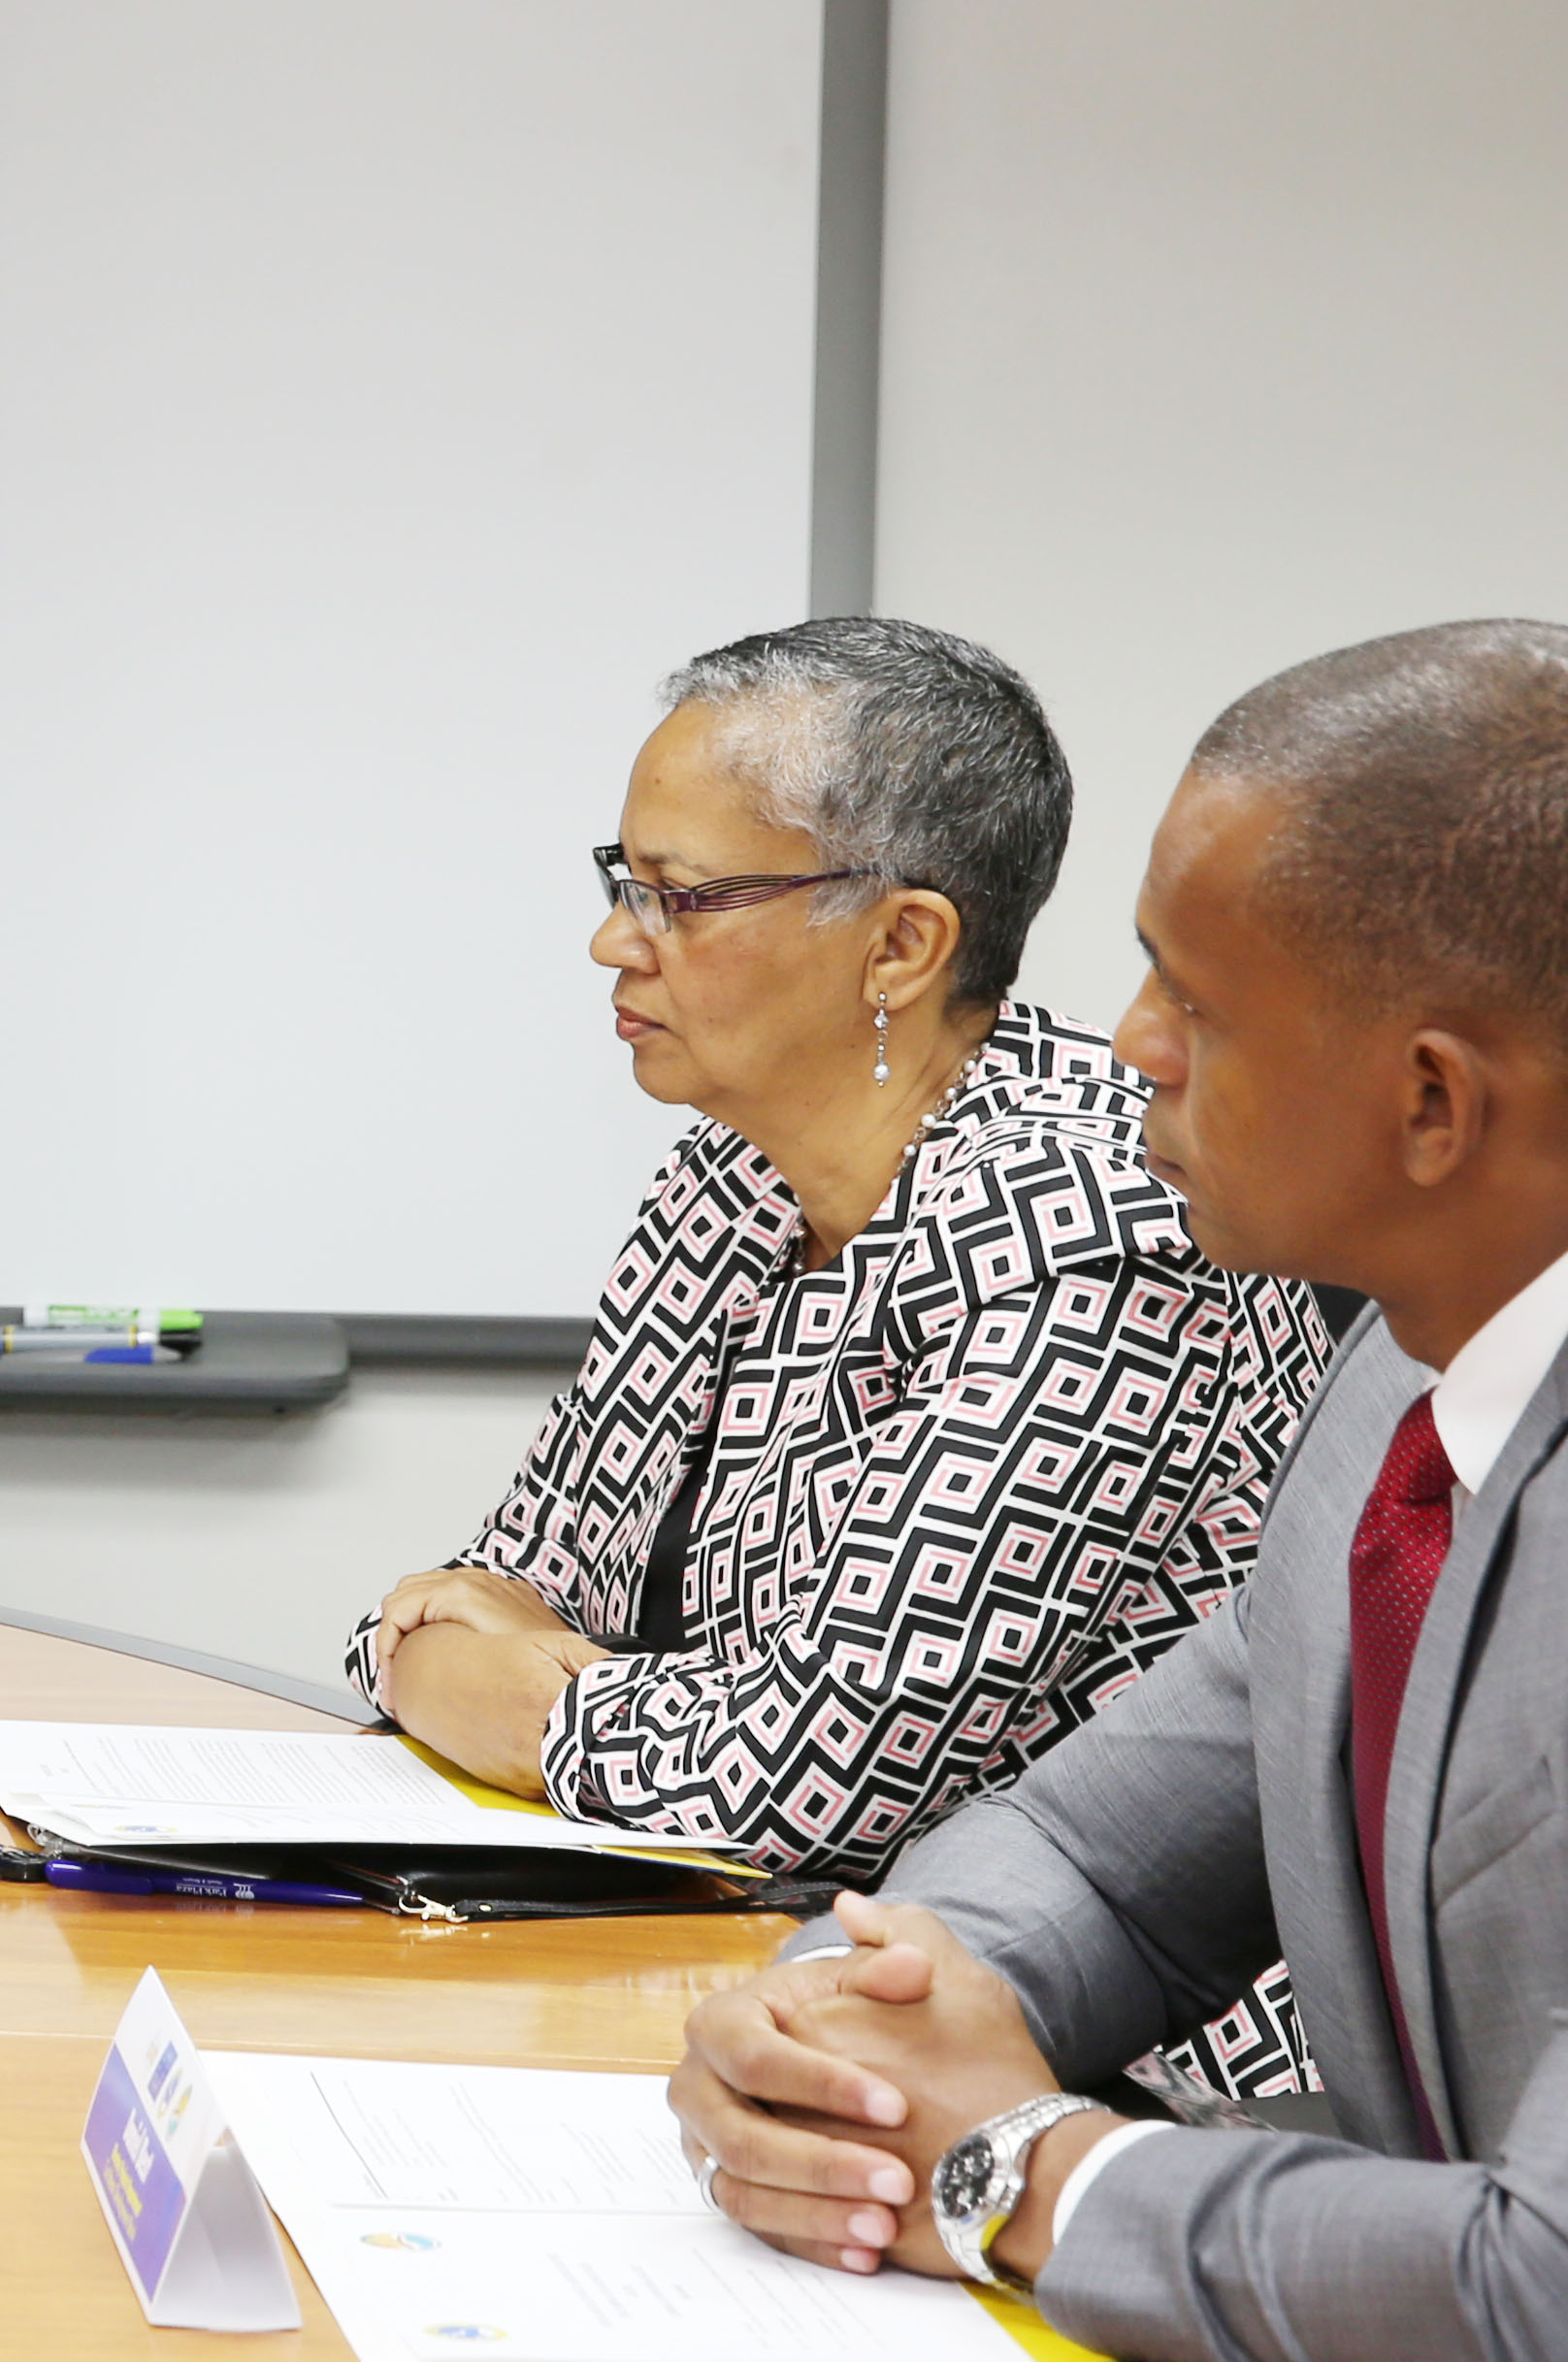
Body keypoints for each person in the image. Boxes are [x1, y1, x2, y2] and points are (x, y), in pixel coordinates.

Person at [672, 621, 1568, 2355]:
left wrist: (1020, 2169)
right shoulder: (1402, 1376)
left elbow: (1542, 2277)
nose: (1130, 1044)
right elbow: (1102, 1849)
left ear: (1433, 1102)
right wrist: (850, 2033)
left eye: (1196, 1002)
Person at [348, 622, 1334, 2086]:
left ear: (901, 943)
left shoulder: (1087, 1225)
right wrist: (464, 1662)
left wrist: (509, 1693)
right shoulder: (726, 1178)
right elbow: (484, 1587)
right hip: (764, 1962)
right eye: (621, 884)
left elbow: (794, 1779)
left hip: (1115, 2075)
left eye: (680, 896)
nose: (617, 939)